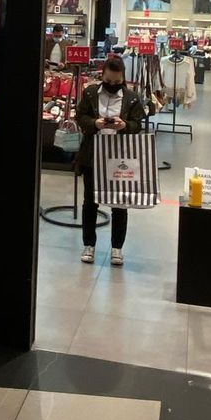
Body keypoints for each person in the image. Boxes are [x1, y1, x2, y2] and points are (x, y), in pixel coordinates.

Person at [74, 54, 146, 267]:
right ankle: (89, 244)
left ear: (123, 78)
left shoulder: (132, 98)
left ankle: (117, 248)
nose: (112, 85)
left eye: (117, 81)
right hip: (92, 154)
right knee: (90, 201)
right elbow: (80, 117)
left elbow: (138, 124)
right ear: (102, 75)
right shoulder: (90, 93)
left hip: (120, 156)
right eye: (108, 80)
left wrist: (124, 125)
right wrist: (94, 123)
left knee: (119, 203)